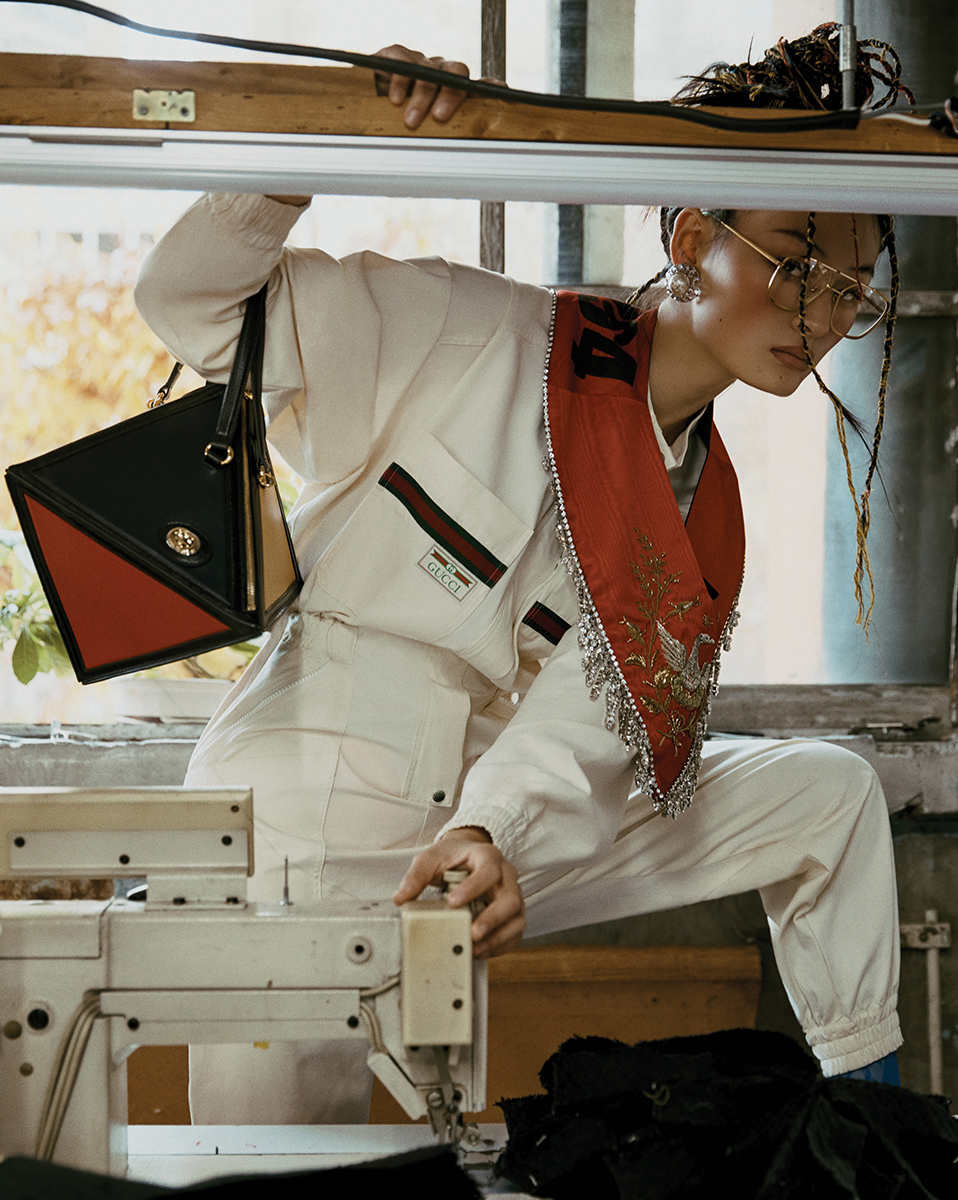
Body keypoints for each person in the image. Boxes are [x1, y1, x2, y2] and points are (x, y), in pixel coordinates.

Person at [133, 27, 909, 1123]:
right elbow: (190, 302)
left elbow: (582, 723)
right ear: (693, 237)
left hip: (493, 823)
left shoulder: (701, 518)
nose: (821, 317)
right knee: (269, 1165)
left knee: (827, 792)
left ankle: (872, 1136)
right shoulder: (473, 332)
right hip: (310, 805)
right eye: (796, 265)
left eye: (852, 291)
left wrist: (490, 830)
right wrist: (322, 132)